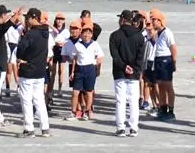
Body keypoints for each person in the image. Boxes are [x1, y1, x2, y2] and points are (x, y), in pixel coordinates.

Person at [110, 9, 147, 137]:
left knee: (120, 100)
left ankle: (120, 128)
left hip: (119, 72)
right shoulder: (139, 36)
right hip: (134, 73)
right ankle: (133, 128)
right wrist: (134, 68)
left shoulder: (115, 35)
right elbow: (140, 56)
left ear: (122, 20)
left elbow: (114, 55)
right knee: (133, 101)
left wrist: (124, 66)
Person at [15, 8, 51, 138]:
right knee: (39, 100)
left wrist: (22, 58)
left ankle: (29, 129)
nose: (26, 20)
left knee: (26, 100)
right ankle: (45, 127)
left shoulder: (31, 34)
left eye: (28, 18)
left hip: (28, 70)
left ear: (33, 18)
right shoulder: (45, 32)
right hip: (40, 71)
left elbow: (20, 49)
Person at [69, 24, 104, 122]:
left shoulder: (95, 44)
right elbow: (75, 59)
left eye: (89, 33)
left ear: (92, 35)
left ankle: (87, 111)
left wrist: (97, 67)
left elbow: (100, 57)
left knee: (89, 92)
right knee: (76, 92)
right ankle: (73, 111)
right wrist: (72, 72)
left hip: (90, 69)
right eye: (85, 33)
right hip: (79, 69)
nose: (86, 35)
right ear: (81, 34)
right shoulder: (77, 45)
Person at [149, 9, 177, 120]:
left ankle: (171, 110)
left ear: (160, 21)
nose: (153, 22)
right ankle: (163, 108)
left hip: (166, 60)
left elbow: (173, 48)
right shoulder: (157, 34)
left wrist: (174, 62)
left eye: (154, 20)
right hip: (158, 61)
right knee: (160, 86)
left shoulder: (167, 33)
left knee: (168, 86)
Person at [61, 20, 83, 120]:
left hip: (84, 66)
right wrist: (71, 59)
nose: (73, 31)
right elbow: (63, 56)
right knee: (75, 90)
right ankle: (77, 110)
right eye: (72, 29)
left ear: (80, 30)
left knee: (84, 91)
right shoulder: (66, 41)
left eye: (76, 29)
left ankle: (86, 109)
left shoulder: (84, 40)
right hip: (72, 67)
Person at [5, 8, 26, 97]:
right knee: (8, 69)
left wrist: (20, 16)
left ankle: (18, 87)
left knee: (16, 68)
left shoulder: (21, 26)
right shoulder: (9, 25)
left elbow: (26, 28)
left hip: (17, 46)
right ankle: (7, 87)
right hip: (9, 45)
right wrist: (13, 14)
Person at [50, 12, 69, 96]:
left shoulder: (66, 31)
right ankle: (50, 89)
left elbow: (68, 41)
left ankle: (60, 89)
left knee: (61, 71)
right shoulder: (52, 30)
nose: (59, 21)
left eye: (61, 19)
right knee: (53, 71)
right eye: (58, 19)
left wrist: (63, 44)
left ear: (64, 21)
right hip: (54, 50)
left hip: (62, 51)